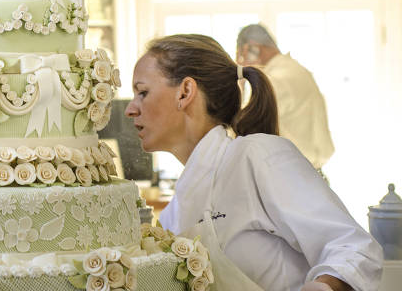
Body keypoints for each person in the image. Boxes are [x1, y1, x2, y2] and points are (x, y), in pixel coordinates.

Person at [125, 34, 382, 291]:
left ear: (185, 92)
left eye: (142, 92)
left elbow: (354, 249)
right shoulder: (173, 214)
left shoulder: (256, 156)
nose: (130, 109)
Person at [236, 23, 335, 171]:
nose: (242, 63)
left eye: (242, 56)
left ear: (253, 49)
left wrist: (240, 83)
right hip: (310, 174)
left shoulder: (274, 81)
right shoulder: (298, 71)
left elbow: (244, 131)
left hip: (295, 176)